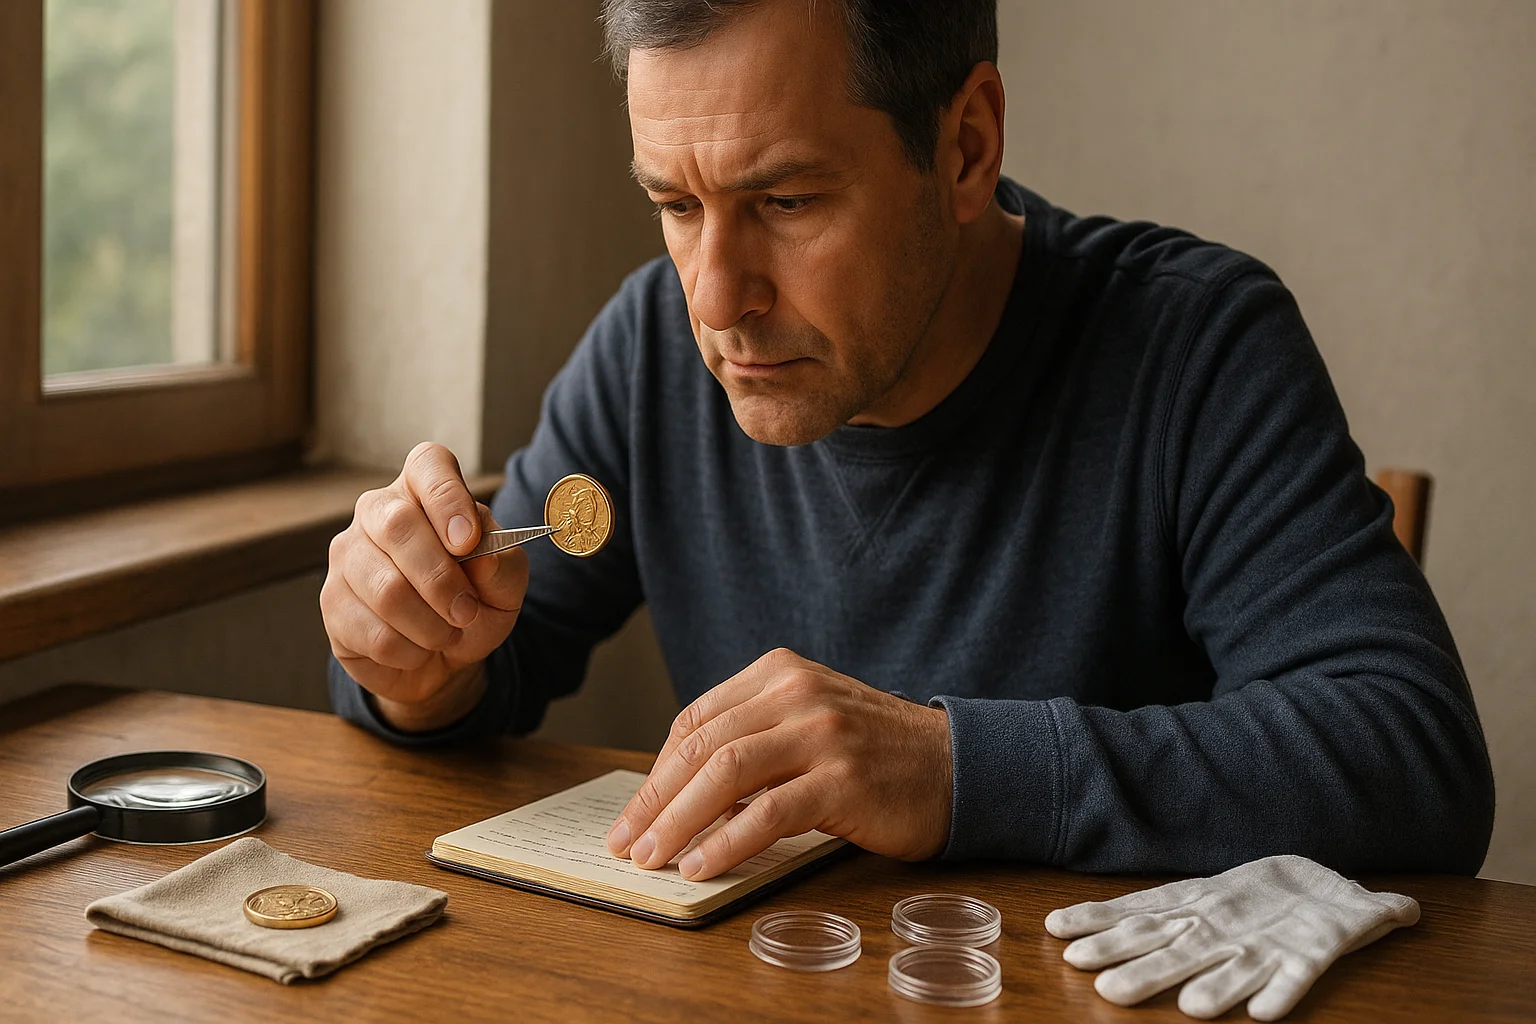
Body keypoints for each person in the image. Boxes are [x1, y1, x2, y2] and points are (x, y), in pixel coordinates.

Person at [322, 0, 1494, 883]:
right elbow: (490, 667)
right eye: (675, 206)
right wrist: (418, 661)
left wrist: (951, 766)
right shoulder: (648, 349)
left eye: (785, 201)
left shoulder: (1192, 345)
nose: (716, 296)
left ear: (967, 146)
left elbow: (1414, 758)